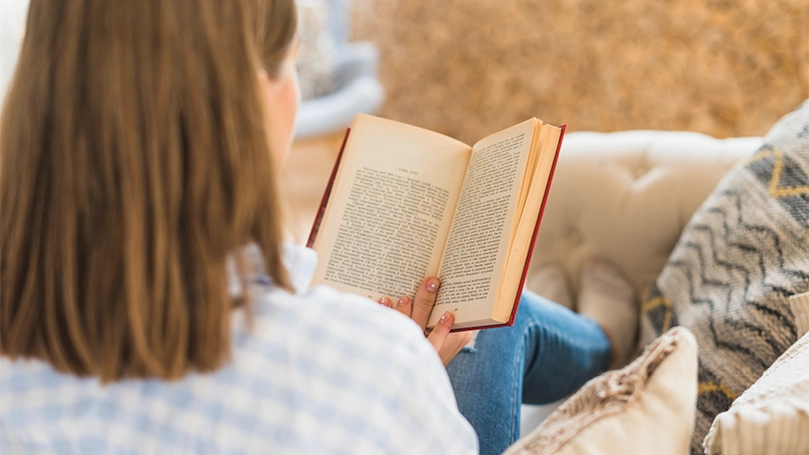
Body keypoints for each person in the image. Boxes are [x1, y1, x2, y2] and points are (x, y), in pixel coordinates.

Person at [0, 0, 636, 453]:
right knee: (483, 321)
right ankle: (611, 342)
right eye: (290, 67)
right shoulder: (361, 368)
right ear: (254, 95)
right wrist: (404, 365)